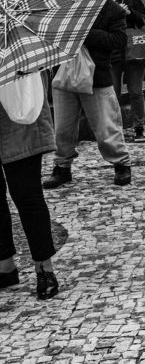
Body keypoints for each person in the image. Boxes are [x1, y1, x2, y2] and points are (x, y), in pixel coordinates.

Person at [44, 0, 132, 189]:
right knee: (62, 127)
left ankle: (121, 163)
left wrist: (85, 34)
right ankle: (62, 167)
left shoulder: (112, 9)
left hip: (97, 76)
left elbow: (119, 40)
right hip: (64, 73)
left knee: (106, 125)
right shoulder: (64, 5)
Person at [1, 73, 59, 299]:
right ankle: (4, 265)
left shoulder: (18, 38)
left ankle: (44, 267)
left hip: (19, 111)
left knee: (26, 194)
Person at [108, 0, 145, 143]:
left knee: (136, 91)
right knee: (113, 93)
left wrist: (129, 13)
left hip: (134, 51)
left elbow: (143, 19)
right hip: (114, 51)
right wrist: (115, 12)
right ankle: (114, 128)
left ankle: (139, 127)